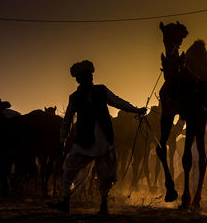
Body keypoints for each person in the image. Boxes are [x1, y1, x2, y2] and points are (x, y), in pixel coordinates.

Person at [48, 60, 146, 214]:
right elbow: (67, 120)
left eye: (91, 75)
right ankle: (66, 201)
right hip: (85, 141)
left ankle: (103, 205)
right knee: (69, 169)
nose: (91, 78)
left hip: (102, 141)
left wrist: (136, 110)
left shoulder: (101, 91)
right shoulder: (74, 97)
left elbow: (118, 102)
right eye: (88, 76)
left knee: (105, 175)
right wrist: (63, 139)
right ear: (80, 79)